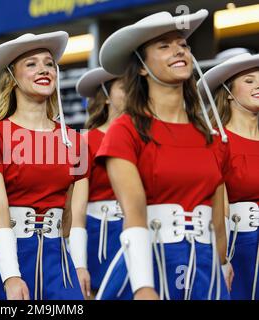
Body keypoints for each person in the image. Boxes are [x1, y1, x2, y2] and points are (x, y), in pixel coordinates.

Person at [95, 9, 230, 300]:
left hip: (206, 270)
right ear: (142, 66)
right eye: (164, 46)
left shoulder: (211, 136)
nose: (179, 50)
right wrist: (144, 287)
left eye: (183, 44)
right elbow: (133, 214)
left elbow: (219, 221)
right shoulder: (125, 131)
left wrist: (222, 263)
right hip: (151, 263)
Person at [0, 31, 89, 300]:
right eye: (31, 64)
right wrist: (11, 276)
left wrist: (78, 263)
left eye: (49, 63)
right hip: (6, 256)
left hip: (57, 259)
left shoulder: (74, 141)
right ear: (11, 78)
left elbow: (72, 216)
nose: (43, 69)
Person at [198, 53, 259, 299]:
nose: (258, 85)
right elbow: (217, 210)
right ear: (229, 91)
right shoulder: (214, 141)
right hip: (239, 247)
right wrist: (220, 259)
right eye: (249, 80)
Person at [70, 67, 125, 298]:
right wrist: (79, 263)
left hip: (137, 229)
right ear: (105, 97)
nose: (133, 92)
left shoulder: (147, 139)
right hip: (97, 233)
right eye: (124, 88)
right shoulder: (85, 141)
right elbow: (77, 208)